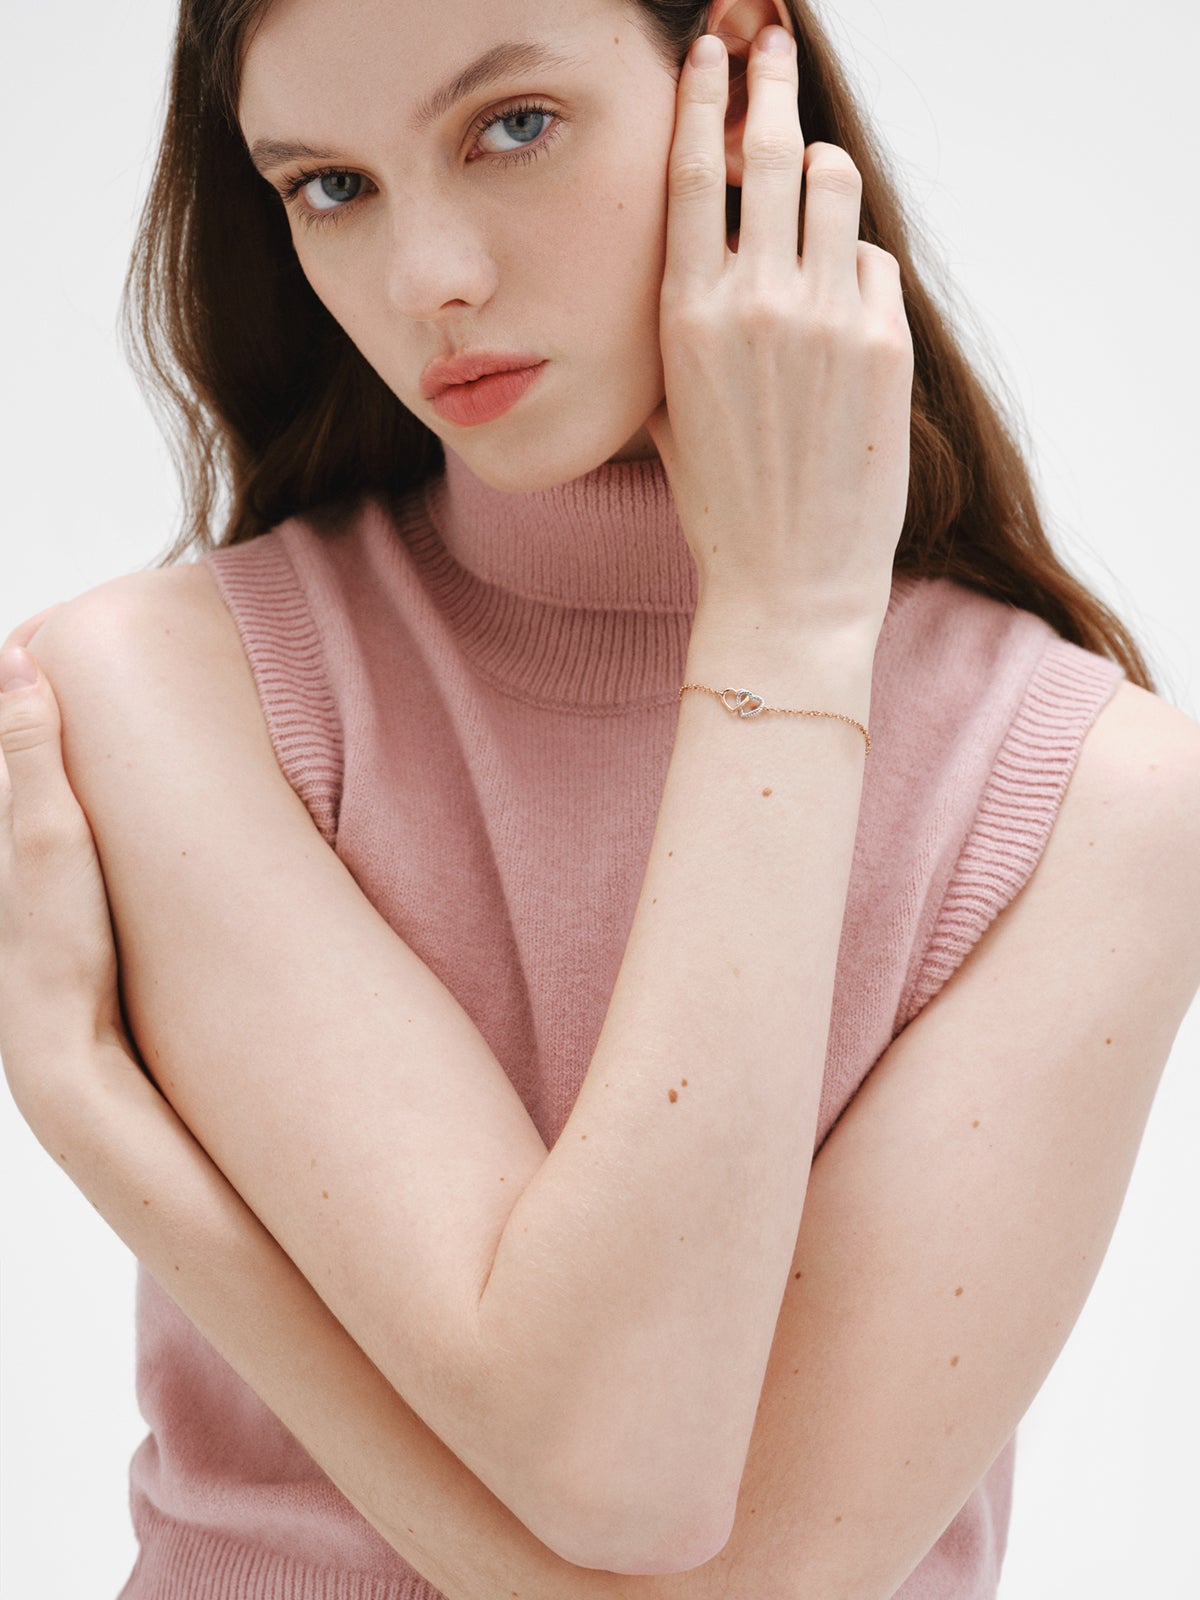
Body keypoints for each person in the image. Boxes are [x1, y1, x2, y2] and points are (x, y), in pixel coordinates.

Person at [1, 0, 1198, 1596]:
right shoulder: (160, 687)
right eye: (331, 186)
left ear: (739, 74)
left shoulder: (1086, 796)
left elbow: (662, 1520)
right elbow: (617, 1498)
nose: (428, 278)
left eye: (514, 126)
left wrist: (100, 1117)